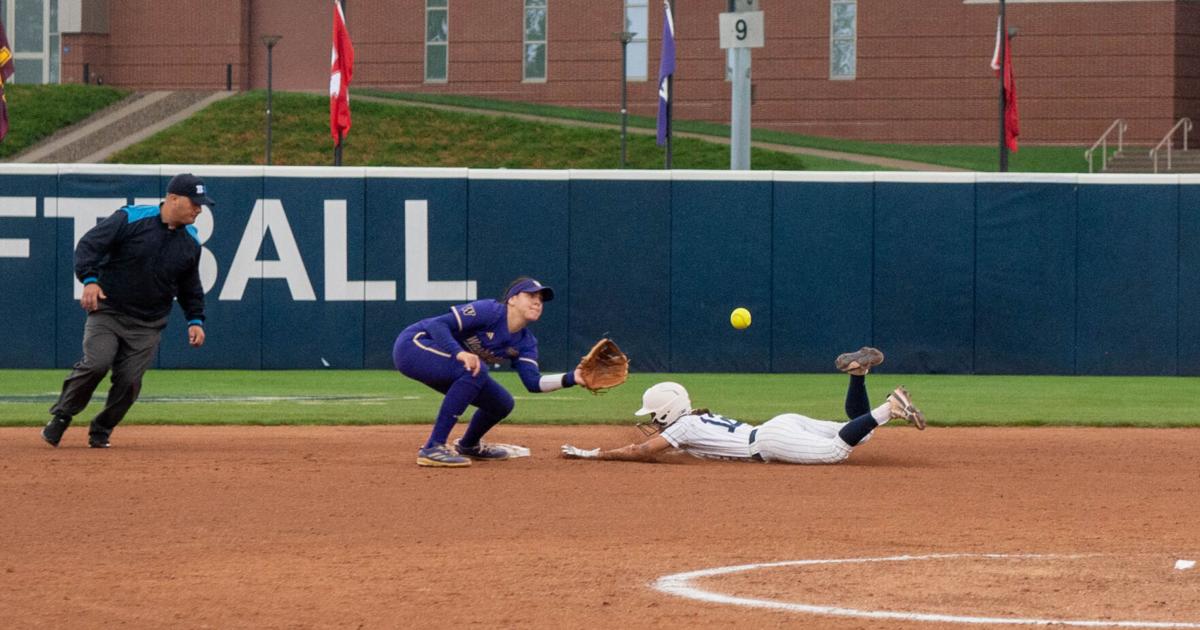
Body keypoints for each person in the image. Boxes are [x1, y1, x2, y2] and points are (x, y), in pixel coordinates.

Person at [41, 173, 212, 449]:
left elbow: (190, 284)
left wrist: (195, 319)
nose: (199, 209)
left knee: (130, 382)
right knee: (96, 363)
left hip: (148, 323)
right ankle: (62, 415)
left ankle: (102, 428)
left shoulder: (191, 241)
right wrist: (90, 280)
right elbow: (89, 246)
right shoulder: (130, 218)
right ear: (174, 199)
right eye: (195, 203)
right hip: (109, 312)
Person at [560, 347, 925, 464]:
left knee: (835, 452)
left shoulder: (682, 427)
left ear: (669, 411)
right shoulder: (695, 420)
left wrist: (595, 454)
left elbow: (641, 450)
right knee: (860, 435)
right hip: (777, 425)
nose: (654, 421)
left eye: (656, 414)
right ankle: (857, 374)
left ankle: (889, 407)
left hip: (768, 443)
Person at [394, 276, 591, 468]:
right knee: (476, 370)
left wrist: (571, 377)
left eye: (540, 300)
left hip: (449, 362)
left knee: (502, 403)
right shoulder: (490, 311)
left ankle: (469, 444)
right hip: (414, 345)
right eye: (531, 296)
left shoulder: (525, 343)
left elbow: (533, 382)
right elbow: (436, 324)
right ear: (512, 299)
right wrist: (460, 353)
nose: (537, 303)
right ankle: (433, 447)